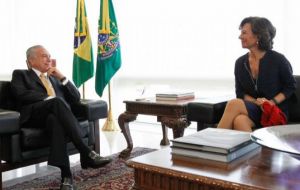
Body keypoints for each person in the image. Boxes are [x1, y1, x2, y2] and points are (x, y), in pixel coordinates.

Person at [11, 45, 112, 190]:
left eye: (50, 55)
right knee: (56, 101)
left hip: (53, 118)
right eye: (44, 56)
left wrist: (62, 77)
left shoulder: (54, 78)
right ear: (31, 61)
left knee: (55, 121)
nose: (49, 59)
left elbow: (76, 98)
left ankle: (67, 176)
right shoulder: (21, 75)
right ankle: (86, 152)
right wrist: (49, 99)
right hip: (34, 116)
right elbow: (20, 94)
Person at [217, 16, 296, 132]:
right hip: (256, 109)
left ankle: (213, 144)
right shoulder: (240, 63)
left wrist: (270, 102)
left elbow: (290, 86)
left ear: (258, 35)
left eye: (244, 32)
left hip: (274, 110)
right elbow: (240, 92)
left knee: (236, 108)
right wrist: (259, 103)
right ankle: (255, 151)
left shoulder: (278, 60)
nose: (240, 36)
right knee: (240, 119)